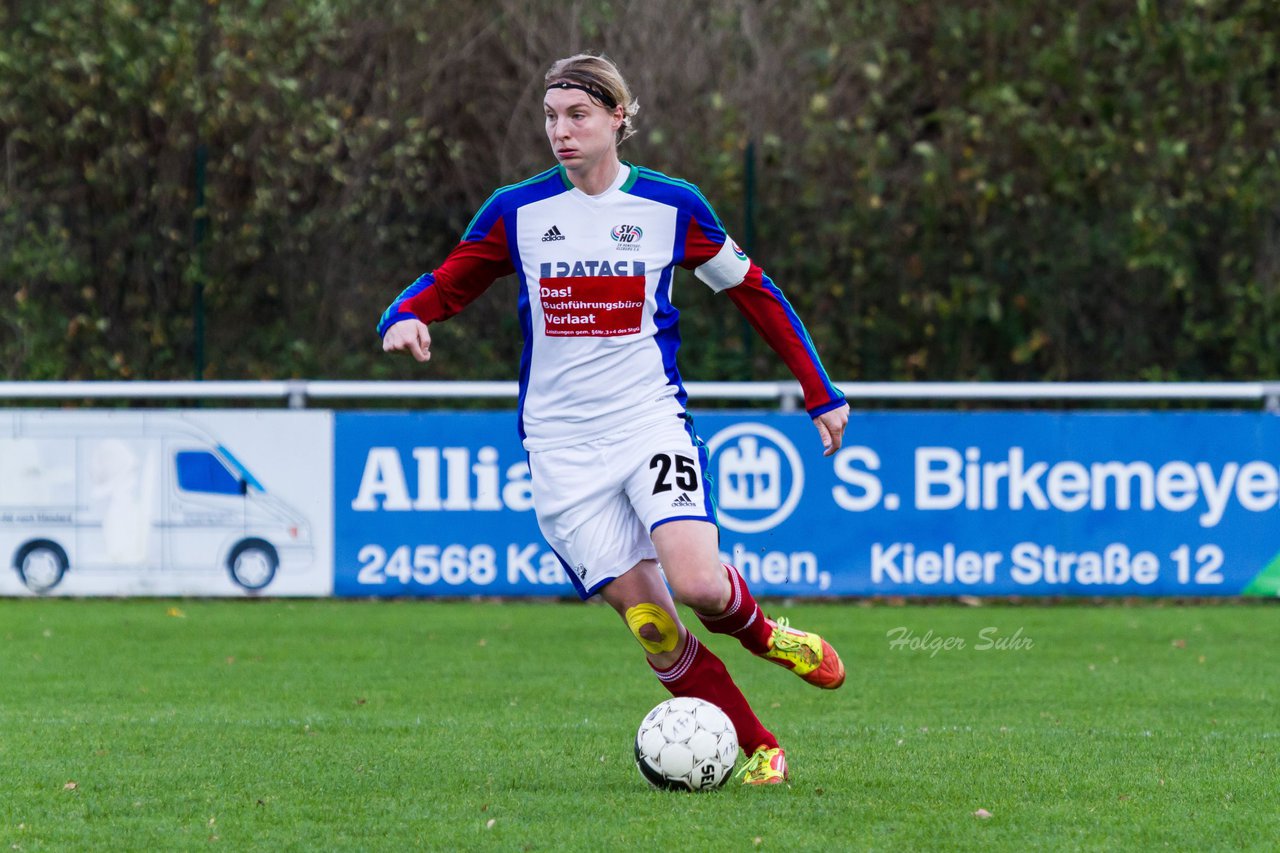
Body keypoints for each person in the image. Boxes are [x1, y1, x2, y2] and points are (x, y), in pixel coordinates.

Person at [379, 53, 850, 785]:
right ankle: (762, 746)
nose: (560, 131)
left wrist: (819, 390)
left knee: (698, 585)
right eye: (550, 116)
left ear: (618, 119)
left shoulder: (671, 205)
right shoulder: (517, 210)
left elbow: (757, 291)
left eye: (578, 115)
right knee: (655, 627)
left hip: (648, 425)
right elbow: (446, 284)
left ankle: (766, 634)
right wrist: (402, 316)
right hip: (561, 449)